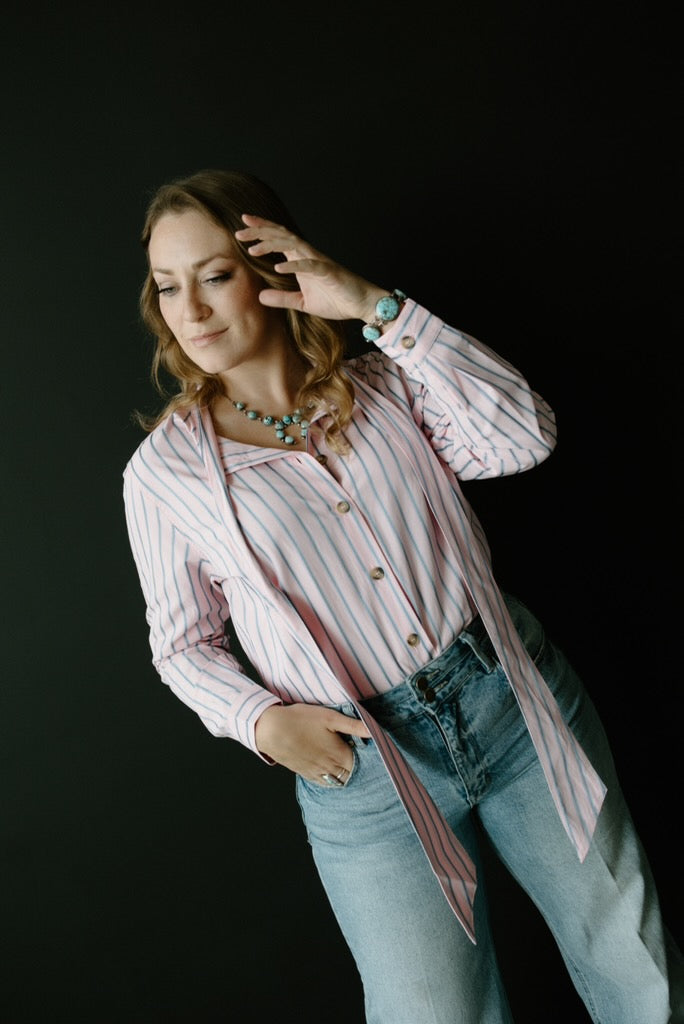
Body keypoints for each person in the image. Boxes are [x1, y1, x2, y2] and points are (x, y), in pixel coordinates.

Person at [122, 168, 682, 1024]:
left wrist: (375, 306)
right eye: (167, 286)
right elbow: (181, 644)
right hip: (366, 771)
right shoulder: (165, 474)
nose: (188, 312)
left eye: (215, 275)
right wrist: (263, 723)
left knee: (630, 960)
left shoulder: (388, 386)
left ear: (271, 267)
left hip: (512, 699)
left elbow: (524, 436)